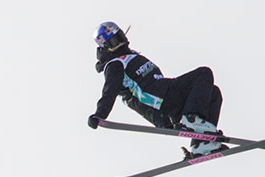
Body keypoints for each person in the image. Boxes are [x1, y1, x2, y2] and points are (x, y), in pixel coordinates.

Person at [86, 22, 226, 158]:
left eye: (119, 38)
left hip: (168, 94)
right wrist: (100, 114)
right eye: (112, 43)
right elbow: (110, 91)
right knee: (203, 73)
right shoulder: (115, 64)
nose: (119, 44)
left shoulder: (132, 56)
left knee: (214, 93)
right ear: (104, 48)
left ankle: (202, 143)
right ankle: (192, 119)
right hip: (161, 97)